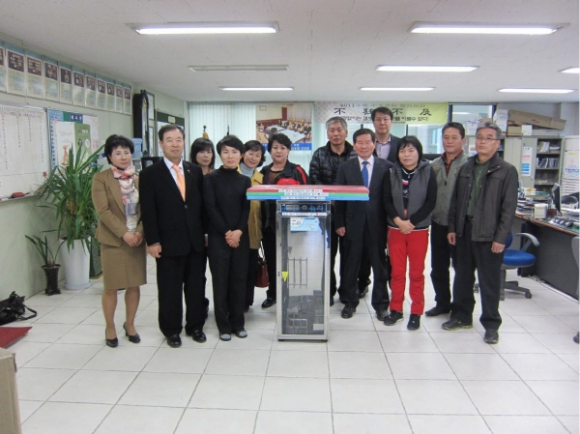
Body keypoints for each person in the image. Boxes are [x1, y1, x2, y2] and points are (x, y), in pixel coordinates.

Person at [443, 121, 518, 344]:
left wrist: (501, 237)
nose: (483, 142)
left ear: (497, 143)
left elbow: (509, 208)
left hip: (489, 234)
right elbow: (455, 201)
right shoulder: (466, 167)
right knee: (463, 278)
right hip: (464, 231)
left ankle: (491, 325)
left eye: (488, 138)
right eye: (480, 138)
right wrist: (452, 228)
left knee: (489, 282)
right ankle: (462, 316)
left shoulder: (506, 171)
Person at [139, 124, 208, 348]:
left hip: (195, 241)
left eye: (179, 139)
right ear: (161, 144)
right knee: (169, 289)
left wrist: (205, 233)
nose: (175, 144)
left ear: (184, 142)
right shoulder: (150, 174)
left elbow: (200, 206)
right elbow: (148, 210)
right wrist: (152, 241)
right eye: (169, 140)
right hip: (167, 242)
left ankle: (195, 326)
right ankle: (171, 330)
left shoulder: (194, 170)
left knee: (196, 286)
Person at [92, 134, 146, 348]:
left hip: (137, 239)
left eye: (126, 152)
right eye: (118, 153)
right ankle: (110, 327)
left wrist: (139, 231)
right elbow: (103, 211)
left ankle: (130, 324)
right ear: (109, 156)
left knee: (134, 285)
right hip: (114, 240)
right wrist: (124, 233)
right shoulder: (101, 179)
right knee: (111, 287)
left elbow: (147, 209)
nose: (123, 157)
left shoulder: (139, 179)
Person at [335, 128, 391, 320]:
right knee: (351, 265)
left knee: (380, 267)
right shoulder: (345, 167)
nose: (364, 146)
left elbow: (390, 199)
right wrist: (339, 222)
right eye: (360, 142)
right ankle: (349, 302)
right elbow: (339, 198)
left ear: (374, 144)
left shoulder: (386, 167)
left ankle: (381, 305)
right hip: (352, 224)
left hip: (378, 225)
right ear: (354, 145)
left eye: (368, 142)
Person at [383, 136, 437, 330]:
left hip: (418, 230)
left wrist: (411, 222)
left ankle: (416, 312)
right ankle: (396, 309)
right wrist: (399, 221)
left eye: (411, 150)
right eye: (402, 151)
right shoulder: (391, 172)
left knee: (416, 273)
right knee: (397, 272)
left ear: (419, 152)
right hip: (395, 228)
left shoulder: (428, 171)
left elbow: (431, 201)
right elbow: (386, 200)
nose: (406, 154)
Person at [204, 136, 251, 341]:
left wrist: (238, 231)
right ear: (220, 155)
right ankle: (223, 325)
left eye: (234, 152)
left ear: (241, 155)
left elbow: (246, 208)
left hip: (240, 237)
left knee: (239, 281)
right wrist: (227, 232)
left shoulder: (244, 180)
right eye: (225, 152)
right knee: (220, 282)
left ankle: (238, 323)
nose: (230, 156)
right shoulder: (211, 178)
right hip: (218, 238)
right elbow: (210, 208)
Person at [309, 116, 356, 305]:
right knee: (326, 255)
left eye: (339, 130)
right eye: (332, 130)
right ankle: (328, 291)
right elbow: (314, 180)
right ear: (327, 133)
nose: (336, 134)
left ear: (346, 132)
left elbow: (358, 183)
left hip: (350, 213)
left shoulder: (355, 154)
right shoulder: (319, 154)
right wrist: (332, 199)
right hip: (325, 212)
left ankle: (347, 292)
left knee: (349, 255)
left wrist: (342, 201)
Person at [260, 133, 309, 309]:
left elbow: (308, 197)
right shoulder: (264, 172)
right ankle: (273, 293)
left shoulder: (297, 171)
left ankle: (289, 292)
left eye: (282, 147)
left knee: (290, 262)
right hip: (269, 226)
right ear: (270, 150)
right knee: (272, 261)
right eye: (275, 147)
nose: (279, 151)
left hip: (291, 227)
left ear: (288, 150)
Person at [426, 122, 468, 317]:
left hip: (461, 226)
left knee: (461, 269)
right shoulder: (434, 165)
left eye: (454, 137)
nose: (449, 141)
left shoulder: (469, 165)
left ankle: (460, 308)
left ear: (463, 140)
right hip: (438, 223)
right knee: (438, 267)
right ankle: (442, 303)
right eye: (446, 137)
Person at [240, 140, 266, 312]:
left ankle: (246, 302)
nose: (253, 158)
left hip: (254, 229)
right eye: (250, 153)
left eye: (258, 155)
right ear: (243, 153)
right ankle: (234, 301)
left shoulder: (261, 178)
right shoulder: (232, 172)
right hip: (235, 230)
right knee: (237, 269)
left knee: (250, 267)